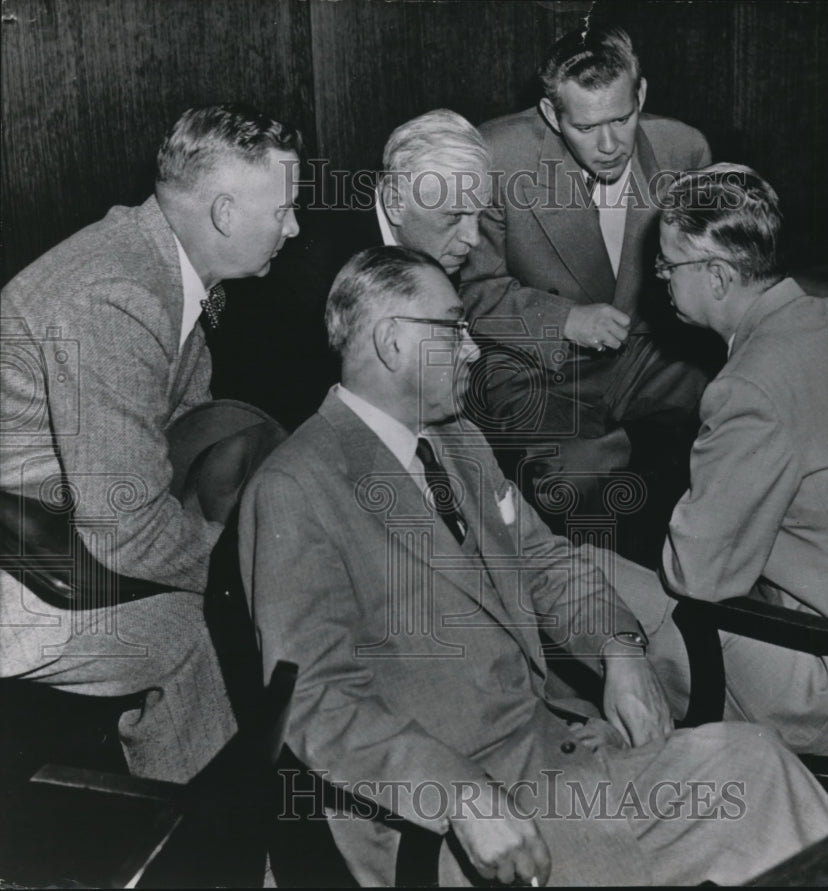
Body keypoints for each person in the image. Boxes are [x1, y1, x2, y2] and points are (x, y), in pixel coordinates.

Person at [239, 245, 828, 886]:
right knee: (751, 785)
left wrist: (622, 649)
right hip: (452, 827)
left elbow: (546, 561)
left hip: (550, 755)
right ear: (391, 342)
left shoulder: (456, 441)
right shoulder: (295, 487)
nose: (473, 348)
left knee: (756, 760)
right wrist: (457, 794)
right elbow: (315, 702)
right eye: (454, 327)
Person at [0, 104, 302, 782]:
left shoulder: (153, 259)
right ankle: (203, 850)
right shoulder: (117, 293)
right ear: (223, 212)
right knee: (192, 635)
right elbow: (125, 527)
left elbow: (182, 429)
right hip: (15, 566)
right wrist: (253, 572)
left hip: (46, 532)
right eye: (283, 209)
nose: (294, 226)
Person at [645, 163, 828, 757]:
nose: (659, 279)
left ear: (717, 275)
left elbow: (695, 577)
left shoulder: (748, 388)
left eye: (666, 266)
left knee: (592, 588)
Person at [460, 24, 720, 525]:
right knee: (569, 481)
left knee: (742, 422)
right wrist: (563, 319)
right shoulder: (494, 159)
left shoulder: (684, 150)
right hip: (538, 366)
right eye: (585, 128)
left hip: (649, 357)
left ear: (641, 94)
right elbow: (470, 291)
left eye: (623, 118)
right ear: (550, 116)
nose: (609, 145)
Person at [213, 108, 490, 430]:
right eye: (454, 216)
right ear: (396, 202)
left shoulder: (434, 244)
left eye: (479, 215)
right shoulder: (310, 277)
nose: (473, 238)